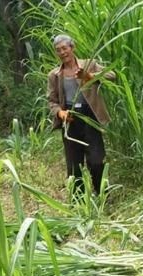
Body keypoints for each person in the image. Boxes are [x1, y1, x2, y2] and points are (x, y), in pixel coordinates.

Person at [47, 34, 115, 197]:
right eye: (58, 50)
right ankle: (78, 200)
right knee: (73, 164)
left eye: (65, 48)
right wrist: (60, 113)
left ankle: (102, 195)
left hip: (90, 116)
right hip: (70, 119)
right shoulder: (55, 75)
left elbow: (112, 75)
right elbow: (51, 100)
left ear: (72, 48)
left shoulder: (89, 64)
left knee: (97, 160)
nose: (62, 53)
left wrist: (89, 77)